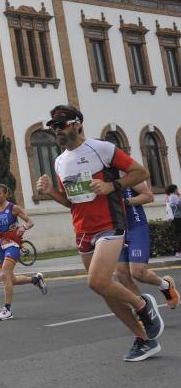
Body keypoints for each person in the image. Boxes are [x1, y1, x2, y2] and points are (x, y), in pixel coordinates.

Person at [36, 105, 163, 361]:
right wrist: (50, 191)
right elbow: (72, 202)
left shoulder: (101, 148)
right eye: (52, 127)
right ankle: (144, 339)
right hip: (83, 230)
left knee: (96, 281)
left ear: (76, 124)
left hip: (110, 223)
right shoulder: (60, 161)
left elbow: (141, 172)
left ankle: (143, 304)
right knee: (104, 289)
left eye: (60, 125)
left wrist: (110, 185)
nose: (56, 131)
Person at [0, 184, 47, 320]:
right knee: (12, 279)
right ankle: (36, 280)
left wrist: (23, 227)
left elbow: (30, 222)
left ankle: (7, 310)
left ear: (6, 194)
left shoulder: (13, 208)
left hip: (12, 244)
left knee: (5, 274)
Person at [115, 182, 179, 309]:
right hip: (115, 229)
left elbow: (149, 196)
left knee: (138, 272)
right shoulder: (97, 175)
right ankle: (143, 310)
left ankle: (165, 285)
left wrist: (125, 202)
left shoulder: (126, 173)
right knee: (122, 274)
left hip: (136, 227)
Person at [166, 184, 181, 257]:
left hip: (174, 218)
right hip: (178, 217)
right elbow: (180, 205)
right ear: (174, 190)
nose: (178, 190)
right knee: (179, 235)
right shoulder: (174, 197)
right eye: (177, 189)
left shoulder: (169, 197)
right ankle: (179, 251)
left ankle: (178, 251)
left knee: (177, 234)